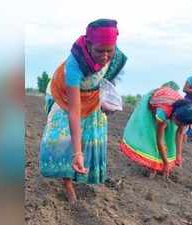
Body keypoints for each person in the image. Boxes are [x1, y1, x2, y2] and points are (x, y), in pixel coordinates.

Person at [39, 19, 127, 203]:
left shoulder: (115, 56)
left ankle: (77, 173)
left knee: (89, 136)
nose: (105, 56)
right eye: (99, 51)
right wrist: (77, 153)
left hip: (92, 96)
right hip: (64, 97)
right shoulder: (74, 65)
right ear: (88, 44)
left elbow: (110, 79)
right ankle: (67, 181)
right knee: (64, 139)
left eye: (109, 51)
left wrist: (106, 99)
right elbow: (74, 112)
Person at [119, 86, 192, 179]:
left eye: (183, 124)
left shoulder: (185, 111)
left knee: (170, 136)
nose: (180, 126)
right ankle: (152, 166)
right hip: (152, 105)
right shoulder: (162, 113)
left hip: (168, 104)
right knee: (150, 135)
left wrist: (178, 155)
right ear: (174, 116)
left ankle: (160, 163)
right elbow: (160, 141)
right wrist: (166, 163)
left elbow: (179, 133)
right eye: (179, 123)